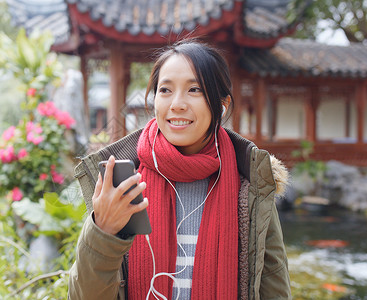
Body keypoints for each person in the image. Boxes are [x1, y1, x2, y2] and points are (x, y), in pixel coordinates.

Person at [68, 39, 291, 300]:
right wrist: (103, 231)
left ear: (222, 104)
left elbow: (274, 289)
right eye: (165, 90)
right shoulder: (124, 183)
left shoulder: (250, 185)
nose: (177, 104)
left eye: (194, 89)